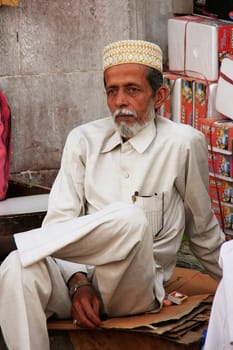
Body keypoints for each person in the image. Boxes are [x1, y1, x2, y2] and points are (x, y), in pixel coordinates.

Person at [0, 40, 225, 350]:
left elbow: (202, 230)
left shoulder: (183, 143)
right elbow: (60, 222)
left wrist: (229, 281)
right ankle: (23, 252)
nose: (120, 101)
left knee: (130, 218)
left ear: (159, 95)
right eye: (112, 90)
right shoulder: (83, 140)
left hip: (133, 287)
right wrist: (77, 283)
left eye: (132, 90)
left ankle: (26, 243)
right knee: (14, 268)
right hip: (76, 282)